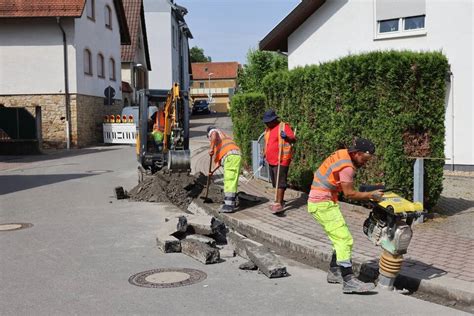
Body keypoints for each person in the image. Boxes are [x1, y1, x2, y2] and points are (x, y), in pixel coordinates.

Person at [307, 138, 384, 293]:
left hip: (322, 201)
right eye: (364, 159)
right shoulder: (347, 167)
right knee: (344, 239)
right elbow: (349, 193)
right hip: (322, 203)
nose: (365, 163)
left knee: (339, 237)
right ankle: (348, 280)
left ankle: (335, 272)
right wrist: (371, 195)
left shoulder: (342, 153)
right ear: (356, 153)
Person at [262, 109, 296, 213]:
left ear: (274, 120)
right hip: (271, 159)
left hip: (282, 159)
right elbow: (267, 144)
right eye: (266, 122)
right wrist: (263, 156)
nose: (266, 123)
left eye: (268, 121)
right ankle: (279, 200)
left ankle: (279, 203)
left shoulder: (283, 126)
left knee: (280, 182)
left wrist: (287, 137)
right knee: (275, 182)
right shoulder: (268, 129)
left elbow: (293, 139)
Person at [207, 126, 242, 213]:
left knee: (229, 181)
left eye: (209, 138)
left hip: (231, 157)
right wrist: (212, 172)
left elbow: (214, 133)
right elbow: (218, 163)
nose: (210, 140)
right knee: (231, 181)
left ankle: (229, 206)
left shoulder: (214, 132)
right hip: (233, 157)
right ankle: (230, 202)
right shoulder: (221, 140)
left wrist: (211, 147)